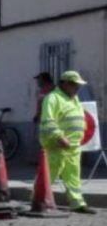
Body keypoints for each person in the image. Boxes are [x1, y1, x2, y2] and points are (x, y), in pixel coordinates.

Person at [39, 70, 96, 214]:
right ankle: (38, 201)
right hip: (56, 145)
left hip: (73, 146)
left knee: (73, 177)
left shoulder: (74, 99)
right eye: (74, 84)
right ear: (64, 84)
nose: (77, 87)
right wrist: (59, 136)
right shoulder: (52, 98)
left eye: (78, 85)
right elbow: (47, 120)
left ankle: (77, 204)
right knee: (48, 175)